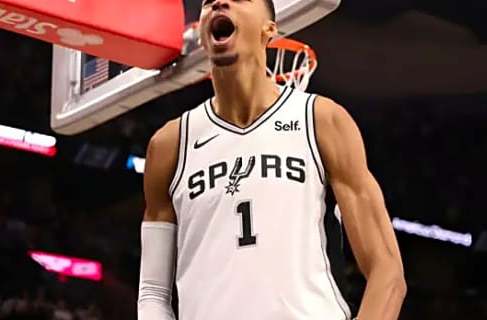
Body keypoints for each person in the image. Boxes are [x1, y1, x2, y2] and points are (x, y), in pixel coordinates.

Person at [137, 0, 406, 319]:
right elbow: (153, 291)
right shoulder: (170, 144)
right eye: (209, 2)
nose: (219, 3)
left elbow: (387, 272)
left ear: (270, 29)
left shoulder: (321, 120)